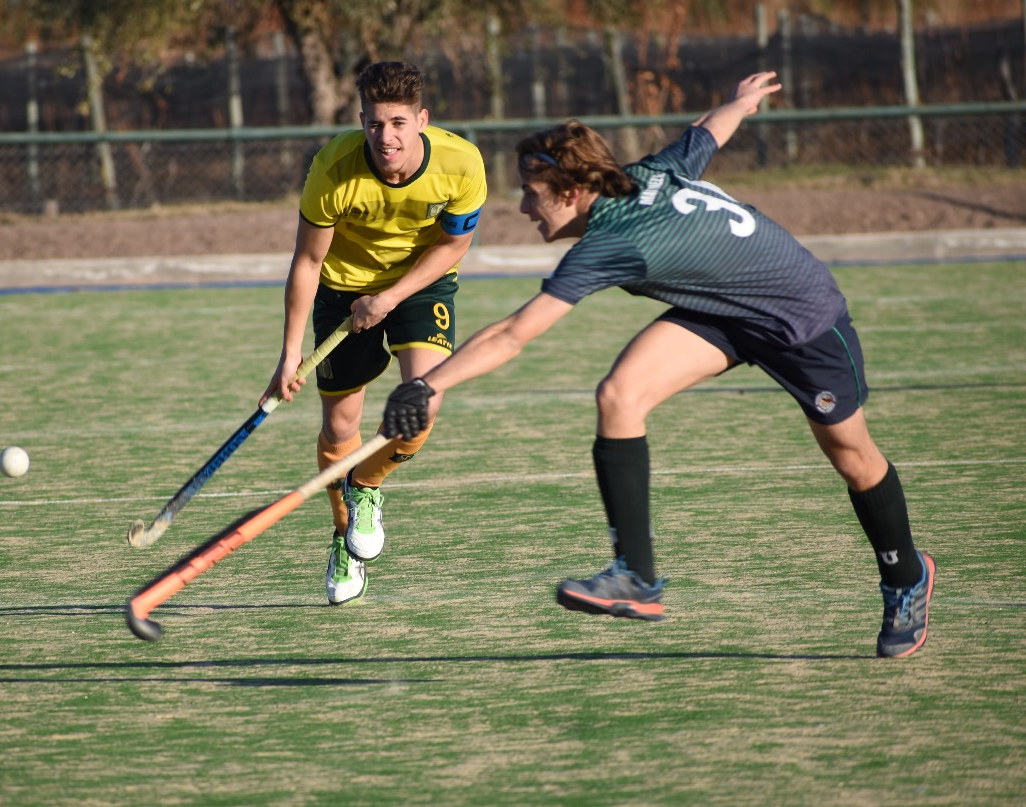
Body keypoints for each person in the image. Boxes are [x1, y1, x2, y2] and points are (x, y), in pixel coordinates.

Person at [382, 72, 934, 658]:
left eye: (530, 191)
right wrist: (739, 102)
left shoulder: (609, 241)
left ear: (570, 191)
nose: (521, 206)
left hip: (802, 318)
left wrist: (426, 383)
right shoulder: (647, 174)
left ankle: (906, 576)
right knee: (620, 395)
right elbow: (704, 132)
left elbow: (515, 333)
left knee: (853, 458)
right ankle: (636, 578)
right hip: (721, 311)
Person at [263, 60, 488, 606]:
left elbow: (455, 245)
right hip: (340, 289)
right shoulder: (333, 168)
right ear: (361, 120)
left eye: (398, 124)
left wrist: (388, 298)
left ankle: (365, 485)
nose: (385, 138)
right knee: (341, 425)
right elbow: (307, 262)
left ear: (421, 120)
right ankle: (343, 538)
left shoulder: (462, 163)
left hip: (419, 284)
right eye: (374, 124)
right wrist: (290, 354)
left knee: (422, 405)